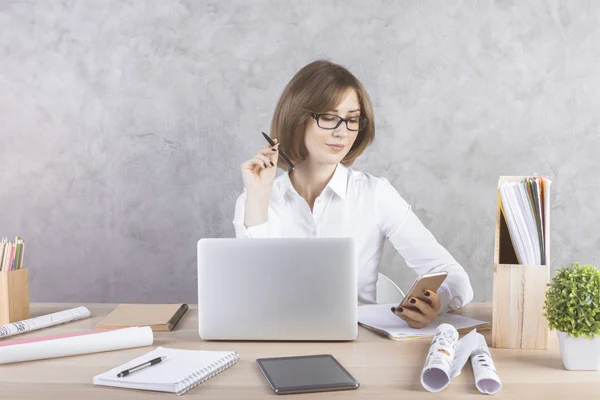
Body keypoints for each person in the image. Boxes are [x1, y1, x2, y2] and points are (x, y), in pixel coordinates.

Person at [233, 59, 473, 328]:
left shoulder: (375, 194)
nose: (341, 132)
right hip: (279, 340)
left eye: (352, 119)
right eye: (328, 117)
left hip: (360, 345)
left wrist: (433, 302)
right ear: (297, 119)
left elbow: (455, 278)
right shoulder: (255, 199)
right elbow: (250, 295)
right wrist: (257, 197)